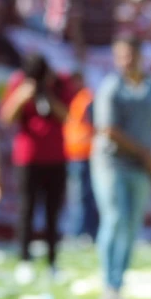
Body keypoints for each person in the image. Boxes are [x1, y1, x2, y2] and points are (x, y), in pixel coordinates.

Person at [91, 37, 151, 299]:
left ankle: (118, 284)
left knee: (131, 226)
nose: (126, 61)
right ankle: (108, 283)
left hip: (142, 168)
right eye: (121, 55)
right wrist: (147, 156)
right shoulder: (111, 87)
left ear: (139, 56)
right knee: (115, 219)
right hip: (111, 163)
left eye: (130, 55)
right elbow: (108, 130)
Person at [0, 52, 73, 285]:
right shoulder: (19, 83)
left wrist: (48, 96)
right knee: (27, 210)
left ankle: (52, 261)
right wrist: (23, 95)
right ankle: (24, 260)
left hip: (56, 157)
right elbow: (6, 118)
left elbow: (67, 116)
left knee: (53, 212)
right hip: (28, 158)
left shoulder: (60, 83)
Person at [63, 71, 99, 241]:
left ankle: (83, 234)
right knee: (79, 197)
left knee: (83, 197)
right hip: (76, 154)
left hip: (86, 154)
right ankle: (83, 233)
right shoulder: (77, 99)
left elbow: (96, 124)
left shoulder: (86, 98)